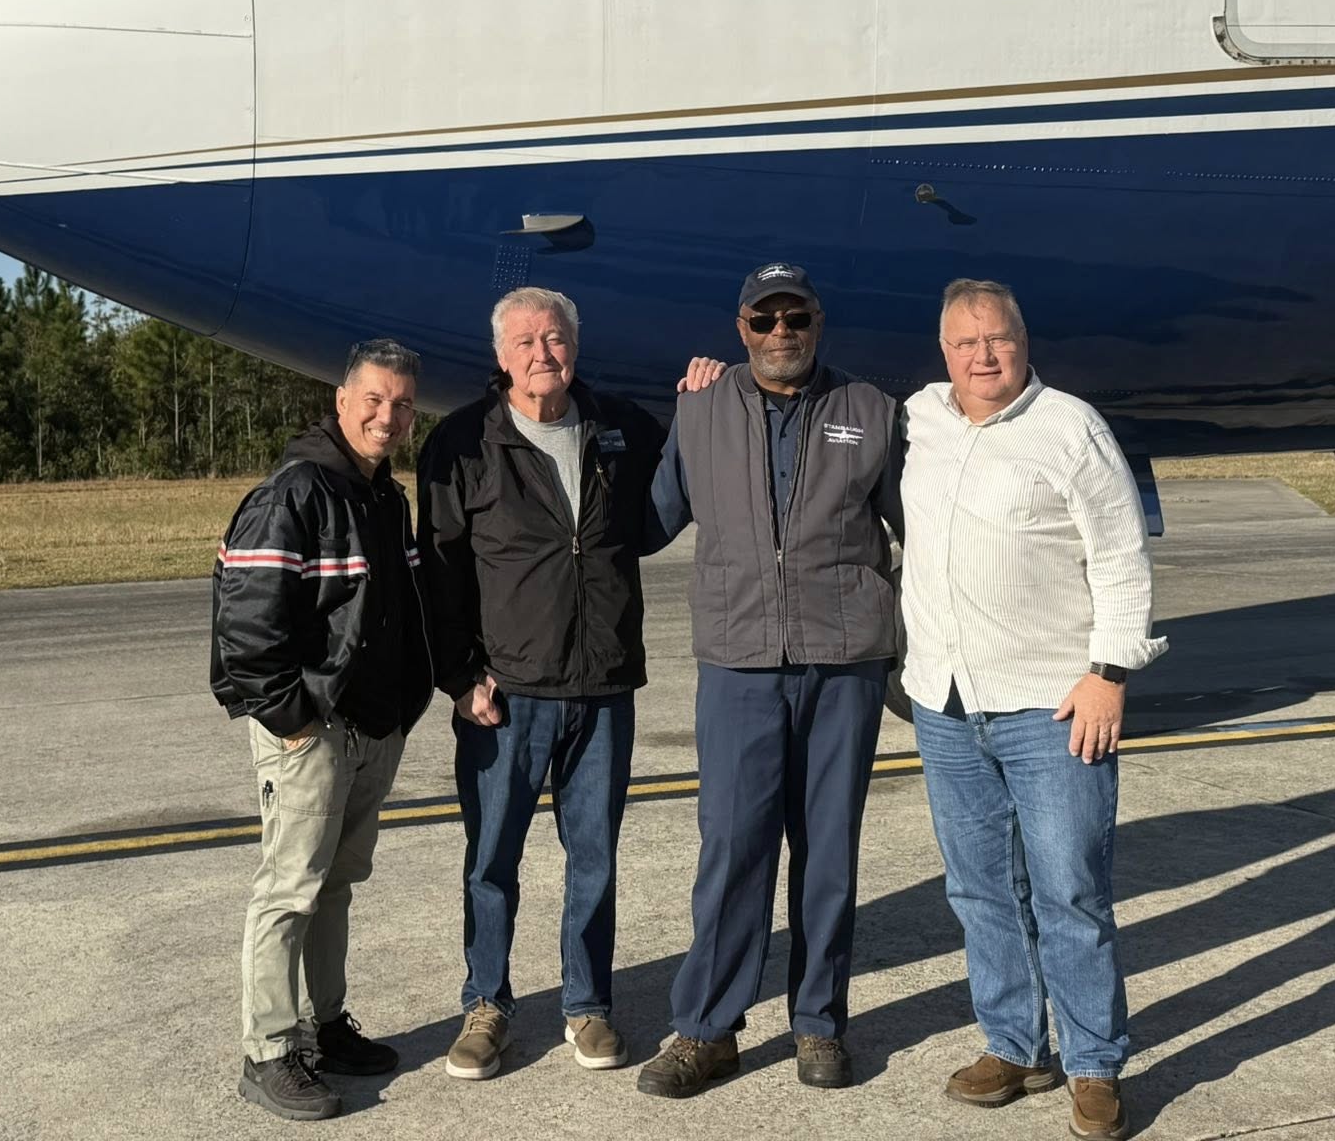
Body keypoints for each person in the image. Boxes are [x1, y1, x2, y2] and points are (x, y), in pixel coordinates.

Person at [899, 279, 1166, 1141]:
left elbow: (1121, 558)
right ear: (944, 352)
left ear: (1023, 341)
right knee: (980, 890)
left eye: (998, 339)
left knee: (1071, 892)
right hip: (945, 702)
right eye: (966, 342)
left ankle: (1094, 1066)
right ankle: (1015, 1046)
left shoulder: (1070, 427)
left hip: (1053, 707)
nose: (983, 356)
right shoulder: (921, 418)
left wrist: (1110, 673)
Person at [636, 262, 903, 1098]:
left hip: (843, 662)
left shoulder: (872, 410)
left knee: (828, 851)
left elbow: (925, 531)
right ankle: (706, 1029)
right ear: (741, 327)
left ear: (818, 322)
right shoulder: (699, 411)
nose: (781, 332)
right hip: (739, 662)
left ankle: (819, 1022)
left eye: (796, 317)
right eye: (764, 319)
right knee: (732, 848)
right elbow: (647, 521)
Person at [417, 286, 667, 1080]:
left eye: (554, 338)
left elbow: (671, 501)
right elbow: (439, 574)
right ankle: (487, 1005)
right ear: (500, 356)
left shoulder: (621, 427)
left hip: (602, 688)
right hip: (507, 696)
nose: (541, 354)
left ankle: (588, 1006)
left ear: (575, 346)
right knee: (492, 862)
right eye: (524, 342)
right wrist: (459, 679)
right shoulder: (464, 441)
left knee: (594, 860)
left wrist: (703, 403)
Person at [209, 338, 436, 1123]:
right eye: (373, 399)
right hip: (313, 729)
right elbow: (246, 627)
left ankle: (326, 1024)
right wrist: (294, 721)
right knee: (289, 889)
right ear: (341, 401)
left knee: (335, 884)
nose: (387, 416)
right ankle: (267, 1051)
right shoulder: (293, 494)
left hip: (374, 726)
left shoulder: (385, 498)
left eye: (402, 404)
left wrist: (404, 704)